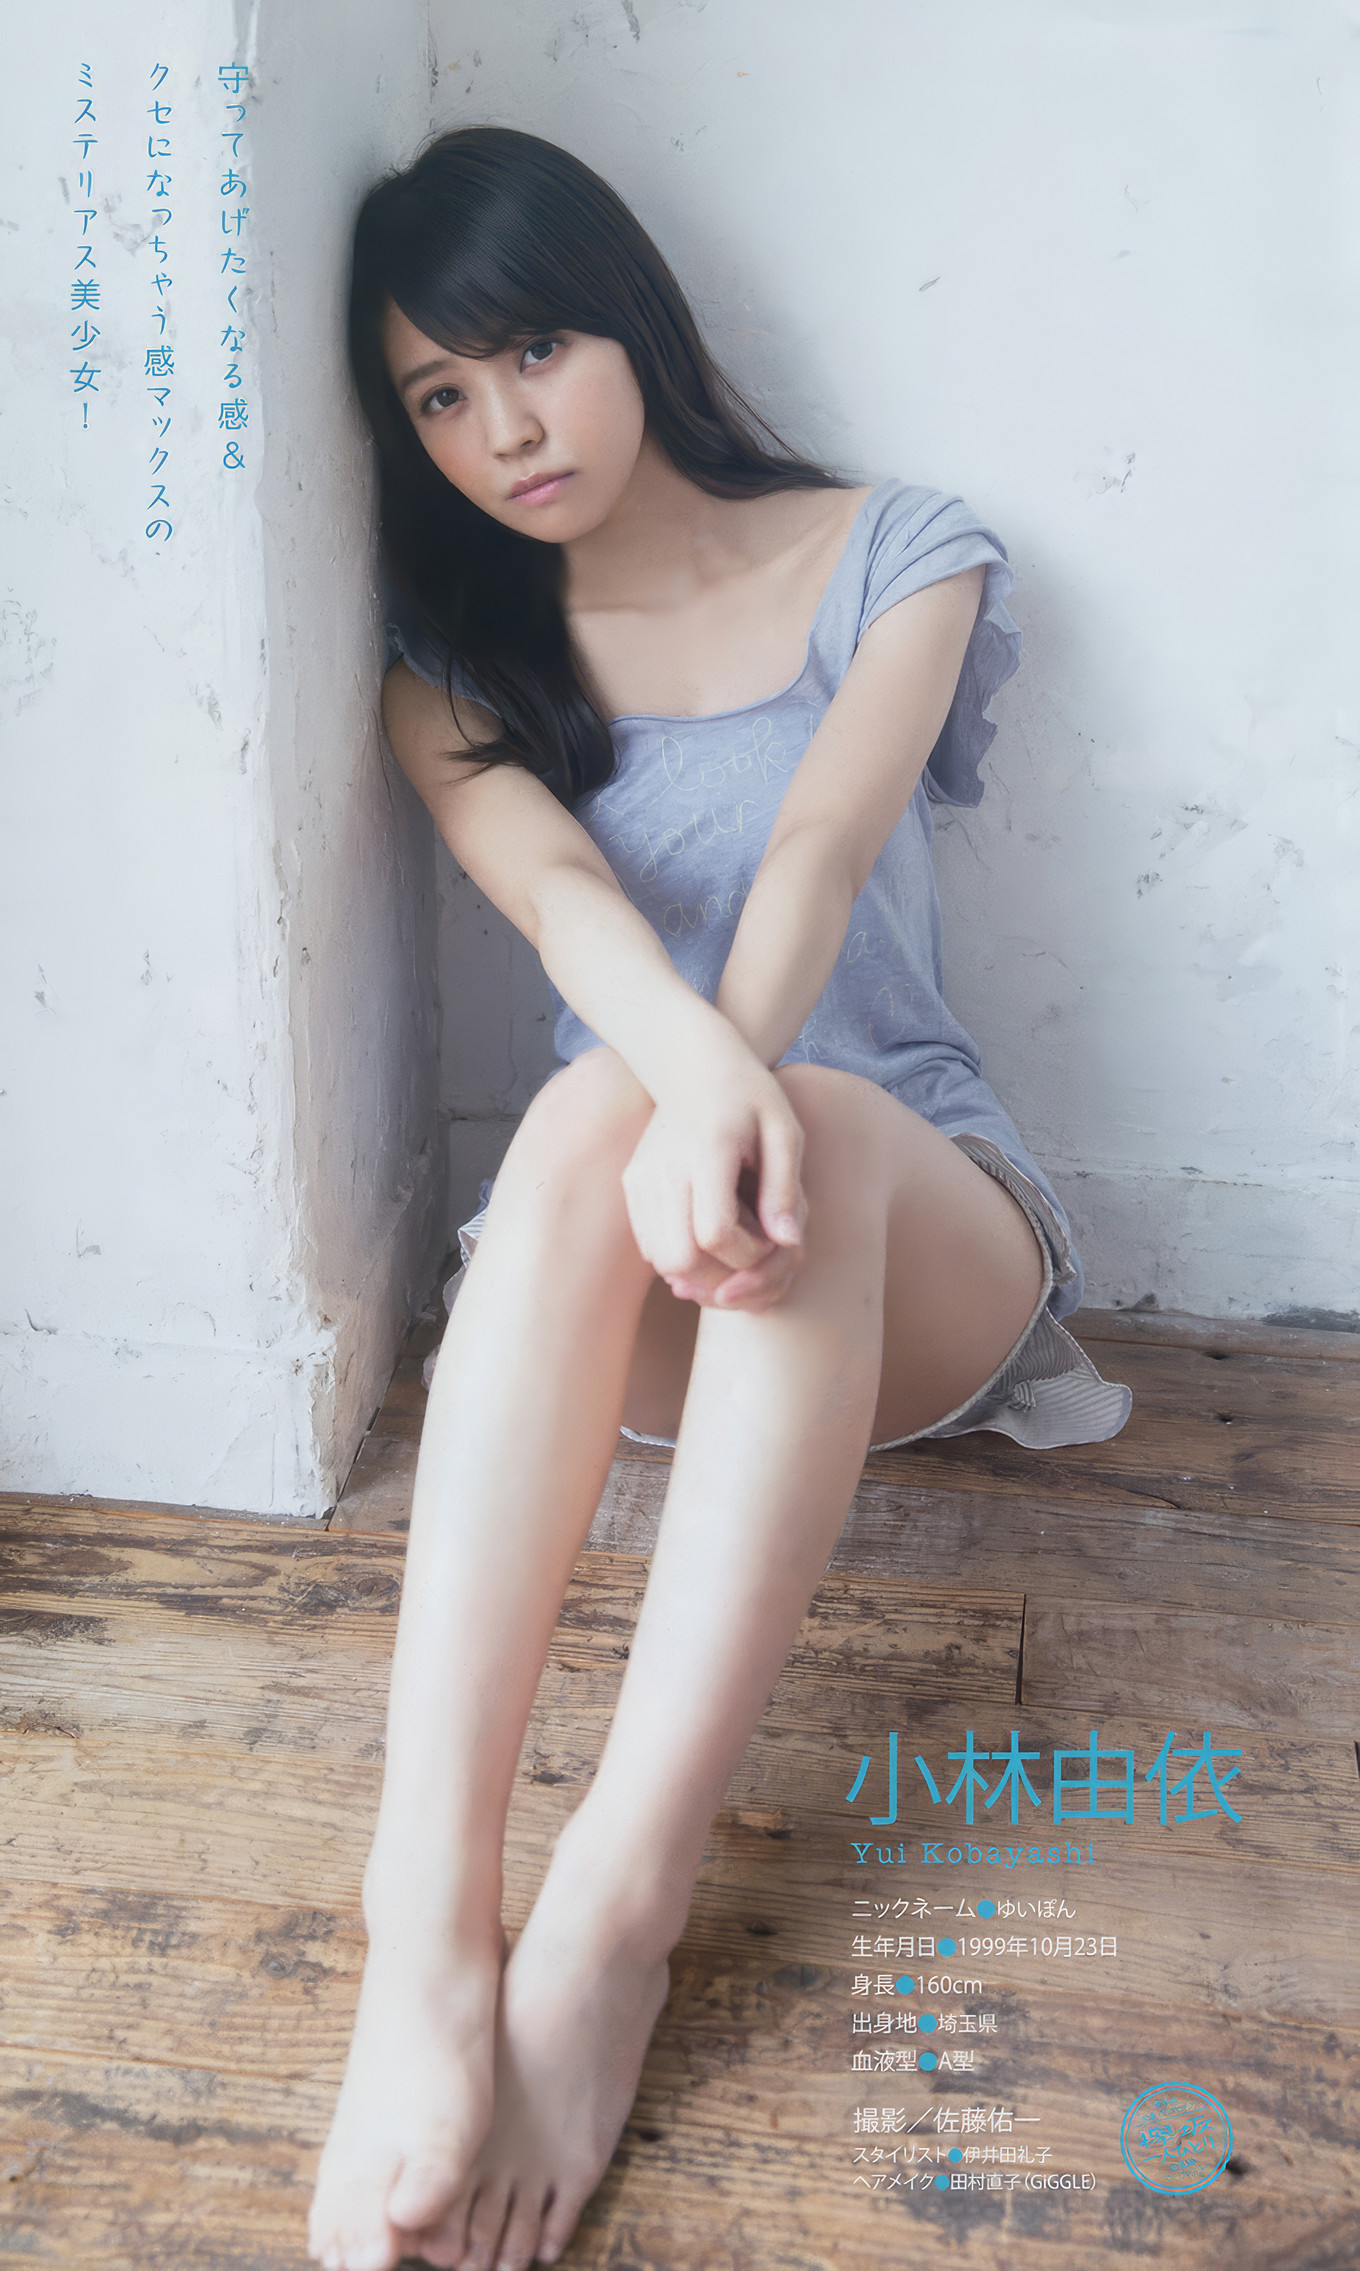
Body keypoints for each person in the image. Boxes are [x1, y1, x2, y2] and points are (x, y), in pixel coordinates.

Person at [310, 125, 1130, 2271]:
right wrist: (681, 1093)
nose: (504, 430)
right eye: (439, 396)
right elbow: (568, 912)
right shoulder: (449, 664)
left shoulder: (896, 552)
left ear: (632, 320)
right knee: (590, 1106)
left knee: (813, 1123)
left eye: (532, 351)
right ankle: (428, 1923)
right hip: (647, 1269)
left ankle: (614, 1910)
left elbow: (819, 851)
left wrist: (732, 1092)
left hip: (916, 1233)